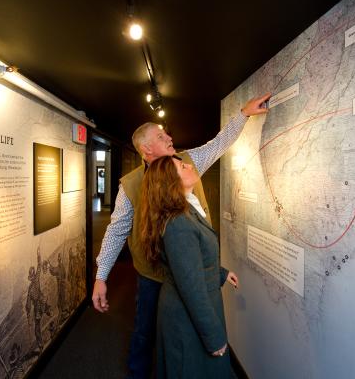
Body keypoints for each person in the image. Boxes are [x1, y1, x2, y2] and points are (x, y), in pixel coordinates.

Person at [92, 92, 270, 378]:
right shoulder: (131, 185)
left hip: (191, 271)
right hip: (154, 275)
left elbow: (219, 143)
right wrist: (102, 276)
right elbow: (117, 230)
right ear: (146, 150)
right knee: (145, 335)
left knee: (182, 337)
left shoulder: (187, 160)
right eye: (161, 137)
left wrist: (243, 114)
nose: (169, 139)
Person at [139, 155, 238, 378]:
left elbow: (193, 263)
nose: (189, 165)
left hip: (188, 309)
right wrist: (213, 336)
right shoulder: (179, 224)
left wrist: (221, 274)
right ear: (170, 182)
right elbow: (191, 289)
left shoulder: (185, 210)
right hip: (187, 318)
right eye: (182, 166)